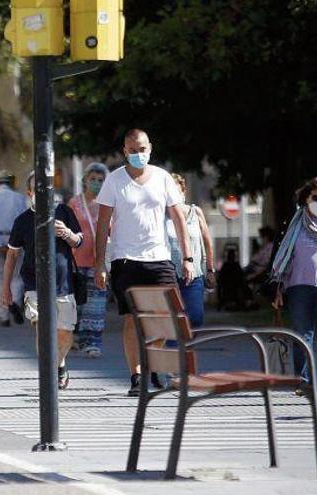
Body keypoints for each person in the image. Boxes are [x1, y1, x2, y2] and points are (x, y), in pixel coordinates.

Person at [94, 129, 195, 397]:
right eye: (132, 150)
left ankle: (152, 363)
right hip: (125, 260)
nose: (138, 154)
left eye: (142, 149)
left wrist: (187, 258)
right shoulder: (114, 181)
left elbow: (178, 219)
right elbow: (103, 224)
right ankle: (136, 375)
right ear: (124, 151)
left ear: (150, 147)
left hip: (159, 258)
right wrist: (99, 265)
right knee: (131, 320)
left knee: (164, 319)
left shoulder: (162, 178)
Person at [2, 172, 83, 389]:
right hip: (34, 285)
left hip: (64, 283)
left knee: (65, 332)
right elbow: (12, 254)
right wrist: (6, 288)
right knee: (42, 329)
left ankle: (60, 364)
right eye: (37, 188)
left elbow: (79, 241)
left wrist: (66, 233)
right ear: (29, 193)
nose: (43, 192)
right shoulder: (22, 221)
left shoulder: (64, 212)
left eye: (46, 188)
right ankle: (49, 373)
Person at [271, 176, 317, 397]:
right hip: (298, 287)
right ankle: (303, 381)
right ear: (306, 197)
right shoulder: (293, 223)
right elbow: (281, 256)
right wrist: (277, 288)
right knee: (302, 335)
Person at [68, 162, 110, 357]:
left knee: (96, 306)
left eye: (100, 180)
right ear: (85, 180)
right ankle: (76, 338)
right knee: (78, 305)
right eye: (92, 179)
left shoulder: (109, 205)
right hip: (76, 262)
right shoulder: (74, 203)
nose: (96, 183)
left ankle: (92, 343)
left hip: (99, 262)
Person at [166, 173, 216, 328]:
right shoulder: (160, 215)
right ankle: (176, 349)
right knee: (173, 317)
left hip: (194, 275)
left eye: (176, 191)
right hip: (168, 275)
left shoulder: (196, 212)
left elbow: (207, 243)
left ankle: (184, 344)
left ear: (183, 192)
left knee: (195, 317)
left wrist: (210, 270)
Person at [0, 170, 27, 327]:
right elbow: (24, 223)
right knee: (16, 276)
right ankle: (13, 301)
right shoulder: (20, 199)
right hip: (15, 240)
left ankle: (3, 316)